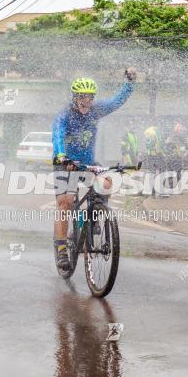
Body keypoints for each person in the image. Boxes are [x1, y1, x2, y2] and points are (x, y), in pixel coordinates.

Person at [52, 69, 137, 272]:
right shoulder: (64, 115)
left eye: (90, 97)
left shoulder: (97, 110)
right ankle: (62, 247)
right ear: (74, 97)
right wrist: (62, 155)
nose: (86, 101)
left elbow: (117, 101)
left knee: (107, 183)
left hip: (88, 162)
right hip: (66, 163)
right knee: (66, 203)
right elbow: (57, 135)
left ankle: (94, 214)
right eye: (82, 97)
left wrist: (130, 83)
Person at [143, 124, 166, 197]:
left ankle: (161, 191)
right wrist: (152, 141)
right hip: (151, 157)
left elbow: (161, 147)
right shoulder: (148, 138)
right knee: (152, 174)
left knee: (161, 173)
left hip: (159, 157)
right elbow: (148, 146)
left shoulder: (159, 139)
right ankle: (153, 191)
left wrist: (164, 155)